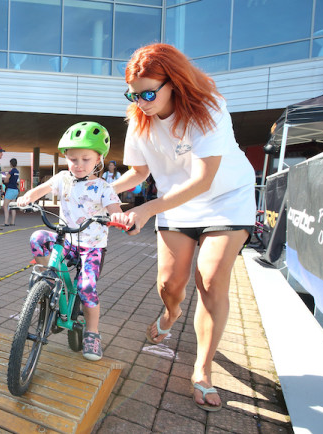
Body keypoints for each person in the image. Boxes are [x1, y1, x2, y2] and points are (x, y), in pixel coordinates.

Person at [110, 43, 255, 412]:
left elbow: (204, 180)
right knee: (170, 284)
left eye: (147, 93)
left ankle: (202, 371)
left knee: (209, 279)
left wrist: (144, 211)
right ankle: (170, 315)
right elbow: (139, 173)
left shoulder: (209, 108)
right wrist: (97, 190)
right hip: (177, 204)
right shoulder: (139, 119)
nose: (141, 101)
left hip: (226, 199)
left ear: (173, 82)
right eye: (133, 93)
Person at [17, 122, 123, 361]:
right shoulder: (63, 178)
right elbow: (41, 189)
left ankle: (92, 333)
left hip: (91, 246)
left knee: (86, 288)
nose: (78, 165)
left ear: (99, 159)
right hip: (66, 240)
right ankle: (50, 280)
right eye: (73, 159)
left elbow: (114, 207)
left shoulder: (103, 187)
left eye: (85, 159)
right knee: (38, 238)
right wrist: (27, 197)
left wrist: (117, 215)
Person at [2, 158, 20, 226]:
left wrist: (6, 182)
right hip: (15, 190)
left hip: (10, 189)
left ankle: (6, 222)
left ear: (11, 164)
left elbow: (6, 179)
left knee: (5, 206)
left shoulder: (11, 171)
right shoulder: (17, 171)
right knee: (13, 206)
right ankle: (12, 222)